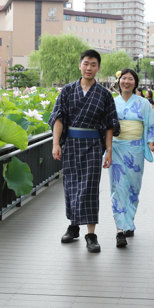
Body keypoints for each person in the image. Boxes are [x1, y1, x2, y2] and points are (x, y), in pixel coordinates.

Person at [50, 49, 119, 253]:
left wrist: (108, 150)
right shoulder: (67, 91)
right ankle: (73, 227)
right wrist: (56, 144)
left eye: (93, 64)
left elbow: (109, 125)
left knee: (89, 187)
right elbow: (58, 118)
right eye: (86, 63)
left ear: (98, 68)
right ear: (80, 65)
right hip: (71, 144)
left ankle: (91, 234)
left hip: (92, 146)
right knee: (71, 185)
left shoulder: (105, 94)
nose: (89, 68)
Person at [110, 69, 154, 247]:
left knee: (132, 187)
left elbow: (152, 125)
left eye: (131, 79)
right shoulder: (112, 102)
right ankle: (120, 229)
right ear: (119, 81)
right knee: (117, 186)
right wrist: (106, 148)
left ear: (135, 83)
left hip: (136, 149)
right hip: (116, 147)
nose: (127, 82)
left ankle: (129, 222)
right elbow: (106, 127)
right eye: (124, 78)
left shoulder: (144, 104)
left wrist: (151, 143)